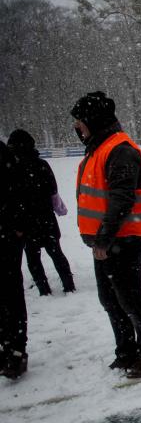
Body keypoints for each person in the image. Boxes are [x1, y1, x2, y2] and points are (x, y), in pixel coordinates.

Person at [71, 91, 141, 378]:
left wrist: (104, 239)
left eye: (79, 121)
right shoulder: (98, 149)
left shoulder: (120, 150)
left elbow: (121, 199)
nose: (77, 127)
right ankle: (125, 350)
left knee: (130, 298)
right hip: (107, 241)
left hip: (125, 240)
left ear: (92, 121)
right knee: (110, 299)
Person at [7, 129, 75, 296]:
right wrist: (57, 209)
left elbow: (11, 198)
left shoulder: (12, 169)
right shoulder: (41, 164)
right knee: (56, 253)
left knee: (33, 257)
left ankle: (43, 289)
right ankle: (69, 285)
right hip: (46, 219)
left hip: (25, 222)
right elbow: (53, 190)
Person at [0, 140, 28, 378]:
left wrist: (17, 225)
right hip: (8, 232)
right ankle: (6, 347)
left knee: (10, 295)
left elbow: (20, 190)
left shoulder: (5, 156)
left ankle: (16, 349)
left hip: (6, 236)